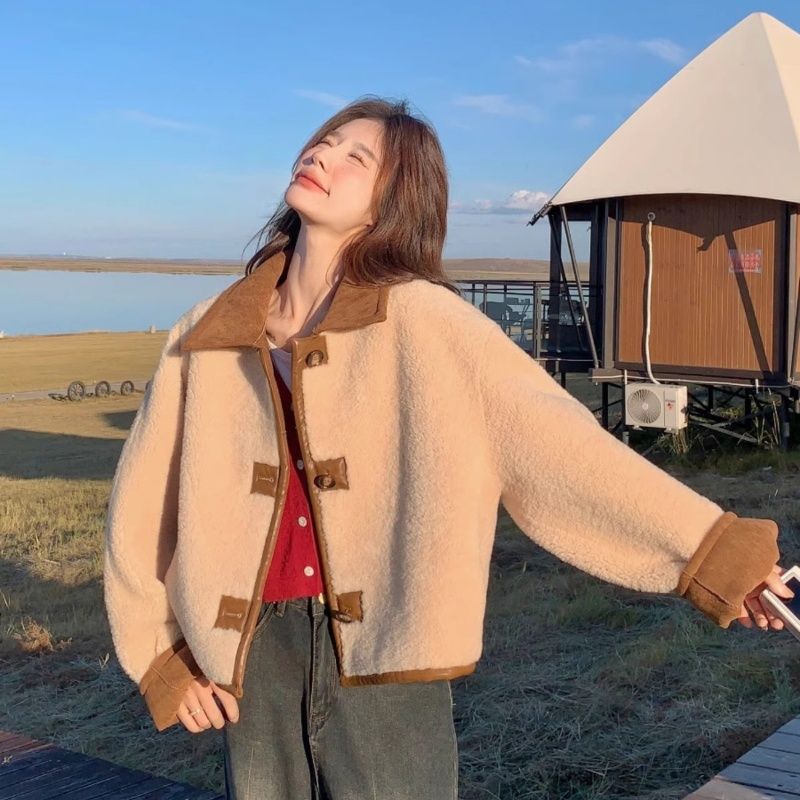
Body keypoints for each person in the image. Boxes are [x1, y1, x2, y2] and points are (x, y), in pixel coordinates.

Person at [103, 95, 793, 800]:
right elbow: (140, 511)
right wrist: (162, 655)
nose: (321, 156)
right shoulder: (205, 334)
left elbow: (565, 451)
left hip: (389, 656)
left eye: (354, 156)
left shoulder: (429, 322)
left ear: (392, 201)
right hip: (250, 657)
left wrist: (715, 555)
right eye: (323, 142)